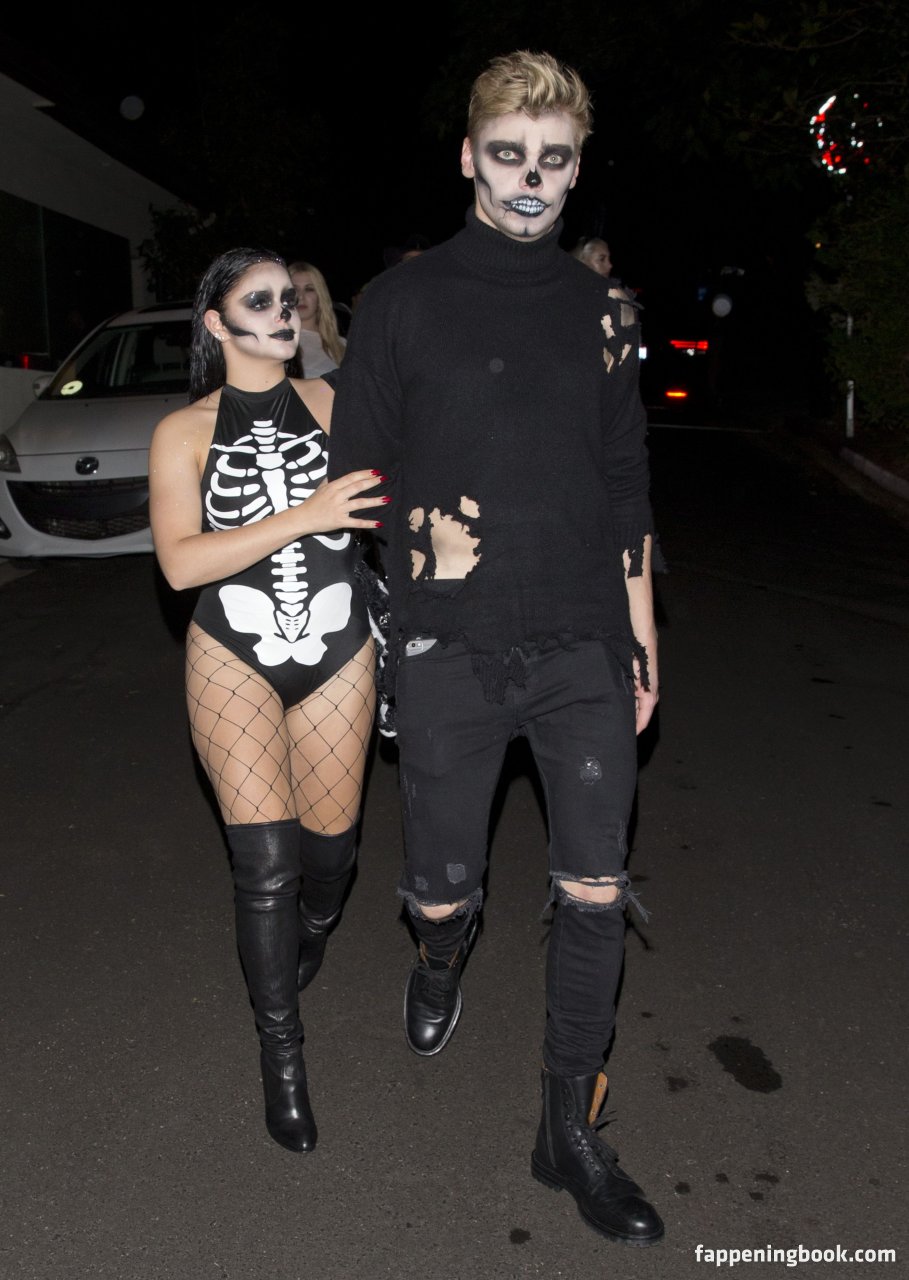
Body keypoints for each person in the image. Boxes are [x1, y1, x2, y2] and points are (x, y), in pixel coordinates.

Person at [328, 51, 664, 1246]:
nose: (531, 178)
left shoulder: (604, 314)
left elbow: (624, 481)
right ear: (470, 156)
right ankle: (439, 948)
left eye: (554, 159)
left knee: (593, 886)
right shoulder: (401, 303)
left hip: (583, 637)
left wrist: (641, 635)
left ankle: (567, 1126)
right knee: (440, 881)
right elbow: (358, 479)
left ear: (576, 168)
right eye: (511, 155)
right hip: (448, 640)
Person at [148, 247, 385, 1154]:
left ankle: (314, 926)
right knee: (265, 865)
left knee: (331, 856)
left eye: (289, 298)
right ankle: (281, 1054)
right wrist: (304, 515)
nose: (284, 312)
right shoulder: (182, 430)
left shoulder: (337, 403)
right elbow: (180, 564)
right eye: (260, 301)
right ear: (216, 324)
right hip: (231, 647)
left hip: (335, 640)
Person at [287, 260, 347, 376]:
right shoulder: (275, 344)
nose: (301, 296)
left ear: (320, 296)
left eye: (309, 289)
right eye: (294, 290)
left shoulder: (341, 346)